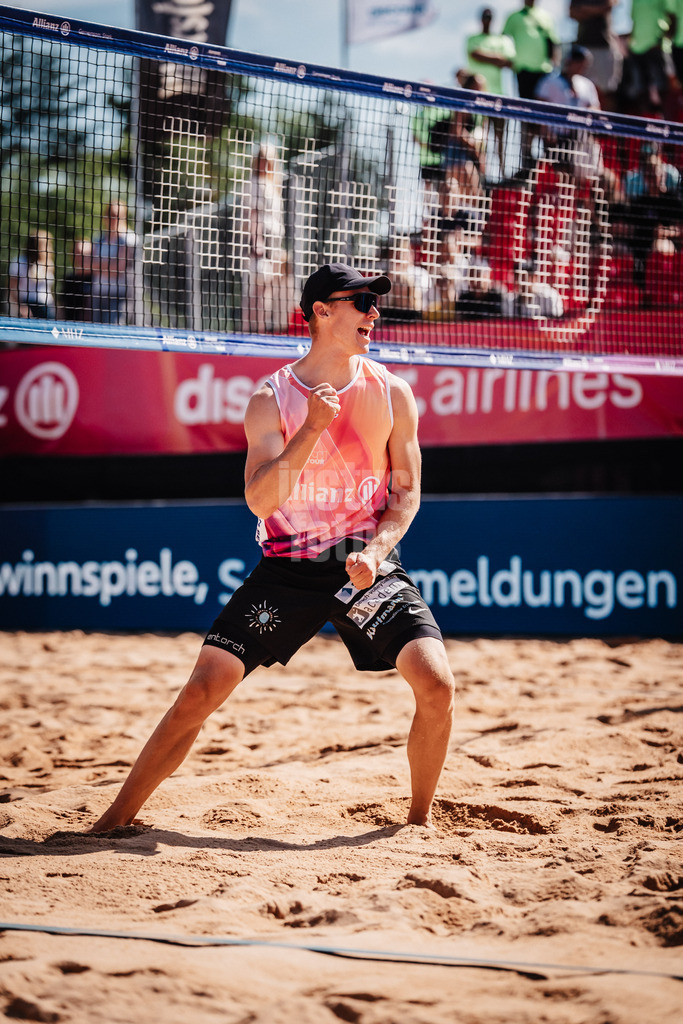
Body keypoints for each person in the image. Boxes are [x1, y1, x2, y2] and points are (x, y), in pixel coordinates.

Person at [89, 263, 456, 834]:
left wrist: (379, 550)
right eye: (360, 302)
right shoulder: (272, 399)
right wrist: (311, 429)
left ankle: (417, 823)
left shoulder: (394, 392)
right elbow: (260, 502)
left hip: (364, 563)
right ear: (321, 311)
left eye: (374, 303)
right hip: (289, 569)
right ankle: (113, 820)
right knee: (202, 691)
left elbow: (405, 495)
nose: (374, 313)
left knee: (436, 683)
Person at [466, 8, 517, 175]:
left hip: (499, 97)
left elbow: (510, 62)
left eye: (489, 17)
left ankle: (502, 173)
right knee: (482, 137)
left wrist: (485, 56)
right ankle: (483, 174)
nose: (487, 20)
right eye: (485, 17)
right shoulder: (472, 39)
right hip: (478, 98)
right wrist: (497, 58)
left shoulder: (501, 40)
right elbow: (475, 55)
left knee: (500, 138)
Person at [569, 1, 624, 110]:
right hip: (583, 46)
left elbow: (609, 5)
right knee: (581, 89)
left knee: (607, 92)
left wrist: (584, 9)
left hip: (604, 47)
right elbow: (572, 13)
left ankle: (606, 124)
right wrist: (595, 10)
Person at [90, 200, 136, 324]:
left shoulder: (129, 239)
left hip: (119, 296)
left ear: (124, 216)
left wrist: (100, 265)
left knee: (114, 335)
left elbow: (118, 268)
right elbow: (90, 265)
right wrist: (109, 264)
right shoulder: (98, 239)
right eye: (110, 215)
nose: (113, 219)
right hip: (99, 294)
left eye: (117, 215)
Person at [7, 230, 56, 320]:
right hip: (26, 307)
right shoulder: (19, 262)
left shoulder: (49, 263)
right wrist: (21, 307)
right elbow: (12, 288)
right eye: (46, 244)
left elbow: (48, 289)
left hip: (46, 307)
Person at [59, 238, 93, 322]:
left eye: (85, 254)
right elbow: (61, 306)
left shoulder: (97, 279)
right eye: (77, 253)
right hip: (70, 328)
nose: (81, 257)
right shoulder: (69, 279)